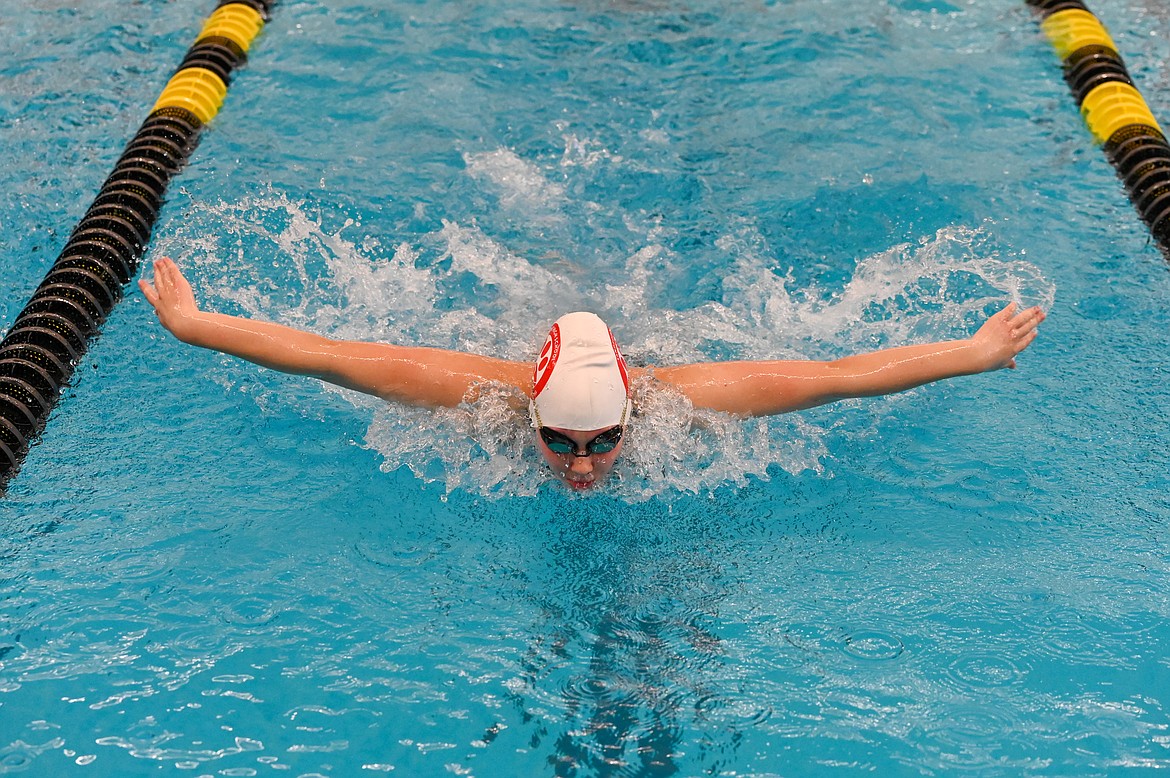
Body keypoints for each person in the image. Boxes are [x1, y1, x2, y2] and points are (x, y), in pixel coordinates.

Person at [139, 256, 1045, 490]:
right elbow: (330, 356)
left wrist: (972, 353)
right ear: (528, 414)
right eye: (561, 442)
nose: (581, 465)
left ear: (628, 418)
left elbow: (838, 374)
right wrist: (193, 325)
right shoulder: (480, 398)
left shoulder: (681, 403)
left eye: (603, 441)